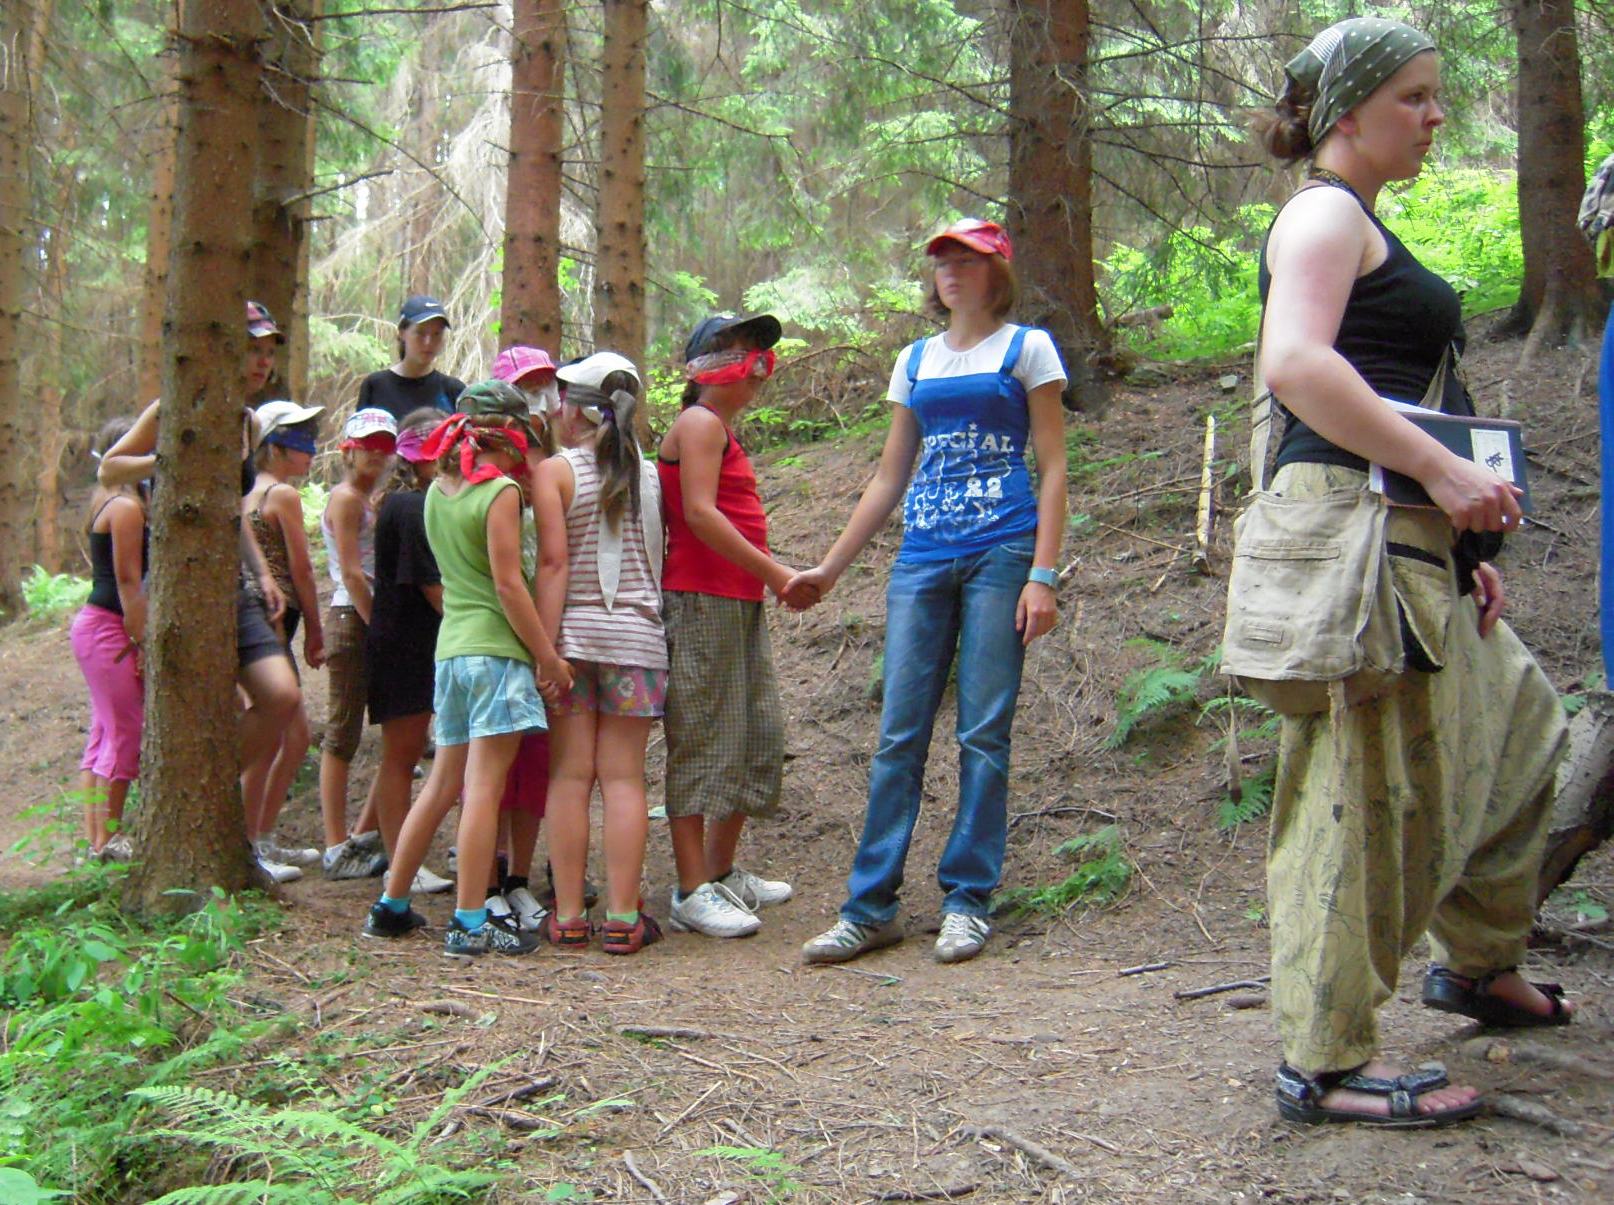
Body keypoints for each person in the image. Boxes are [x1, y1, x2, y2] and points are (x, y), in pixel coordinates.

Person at [1243, 16, 1571, 1128]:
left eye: (1436, 96)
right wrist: (1440, 471)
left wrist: (1466, 548)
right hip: (1357, 543)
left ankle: (1476, 964)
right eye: (1414, 97)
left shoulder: (1361, 218)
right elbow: (1297, 364)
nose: (1435, 117)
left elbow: (1386, 383)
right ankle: (1323, 1061)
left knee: (1524, 730)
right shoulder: (1325, 212)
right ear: (1349, 112)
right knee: (1358, 797)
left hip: (1413, 545)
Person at [795, 219, 1067, 968]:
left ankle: (967, 901)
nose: (950, 270)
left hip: (1003, 549)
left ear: (996, 271)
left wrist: (1043, 574)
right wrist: (830, 568)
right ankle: (868, 908)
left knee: (983, 731)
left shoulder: (1027, 349)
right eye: (942, 260)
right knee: (899, 734)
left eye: (966, 260)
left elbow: (1052, 466)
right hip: (922, 555)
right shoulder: (914, 360)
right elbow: (890, 476)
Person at [362, 380, 573, 957]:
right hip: (495, 654)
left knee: (441, 784)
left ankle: (392, 904)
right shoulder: (499, 492)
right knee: (483, 787)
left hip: (451, 653)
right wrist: (547, 657)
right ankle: (470, 920)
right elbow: (508, 585)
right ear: (509, 436)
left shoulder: (437, 491)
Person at [97, 301, 303, 859]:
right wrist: (172, 458)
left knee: (281, 696)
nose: (262, 361)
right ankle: (172, 809)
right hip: (181, 583)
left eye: (268, 352)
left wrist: (264, 573)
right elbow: (109, 468)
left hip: (233, 584)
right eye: (252, 348)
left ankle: (196, 798)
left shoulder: (248, 422)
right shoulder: (172, 408)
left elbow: (233, 508)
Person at [657, 313, 811, 938]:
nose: (757, 368)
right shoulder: (698, 423)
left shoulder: (719, 429)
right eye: (746, 353)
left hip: (734, 599)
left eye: (762, 356)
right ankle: (690, 889)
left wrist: (763, 580)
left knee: (753, 733)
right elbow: (698, 513)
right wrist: (777, 574)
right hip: (700, 599)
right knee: (701, 736)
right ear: (708, 367)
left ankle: (720, 871)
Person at [535, 351, 666, 954]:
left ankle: (567, 916)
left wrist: (544, 651)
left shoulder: (556, 472)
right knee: (623, 779)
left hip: (572, 642)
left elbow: (553, 565)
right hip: (637, 642)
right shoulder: (649, 475)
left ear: (578, 411)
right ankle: (622, 917)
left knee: (569, 776)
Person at [317, 409, 418, 883]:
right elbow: (352, 572)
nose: (377, 455)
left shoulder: (370, 499)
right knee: (343, 730)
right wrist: (379, 624)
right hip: (352, 617)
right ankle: (335, 844)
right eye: (368, 447)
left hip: (369, 615)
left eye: (385, 446)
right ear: (347, 451)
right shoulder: (345, 498)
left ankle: (361, 835)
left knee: (394, 730)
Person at [358, 408, 449, 868]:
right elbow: (433, 588)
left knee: (406, 754)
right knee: (401, 756)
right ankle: (400, 862)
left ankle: (400, 856)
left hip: (418, 645)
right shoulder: (410, 507)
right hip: (403, 648)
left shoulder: (417, 502)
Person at [241, 399, 328, 877]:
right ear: (273, 446)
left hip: (255, 622)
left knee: (285, 736)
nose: (310, 448)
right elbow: (302, 570)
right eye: (300, 439)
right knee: (286, 737)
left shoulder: (246, 493)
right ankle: (252, 841)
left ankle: (260, 836)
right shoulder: (282, 496)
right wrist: (315, 629)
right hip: (274, 620)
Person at [70, 417, 148, 861]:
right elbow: (127, 580)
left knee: (104, 731)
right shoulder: (126, 508)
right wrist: (140, 639)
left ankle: (96, 841)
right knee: (125, 729)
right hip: (109, 628)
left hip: (98, 626)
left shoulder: (109, 500)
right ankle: (109, 839)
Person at [357, 295, 466, 424]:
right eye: (420, 333)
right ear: (402, 333)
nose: (428, 342)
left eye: (437, 334)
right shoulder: (375, 386)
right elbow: (359, 435)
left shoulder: (453, 390)